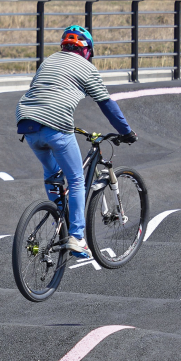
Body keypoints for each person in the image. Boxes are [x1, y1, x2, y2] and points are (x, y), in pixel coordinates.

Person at [15, 25, 136, 259]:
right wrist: (127, 131)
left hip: (27, 124)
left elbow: (40, 92)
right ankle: (77, 237)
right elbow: (107, 104)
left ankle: (59, 221)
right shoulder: (87, 68)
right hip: (56, 125)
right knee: (76, 179)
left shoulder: (48, 62)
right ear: (87, 50)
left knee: (52, 175)